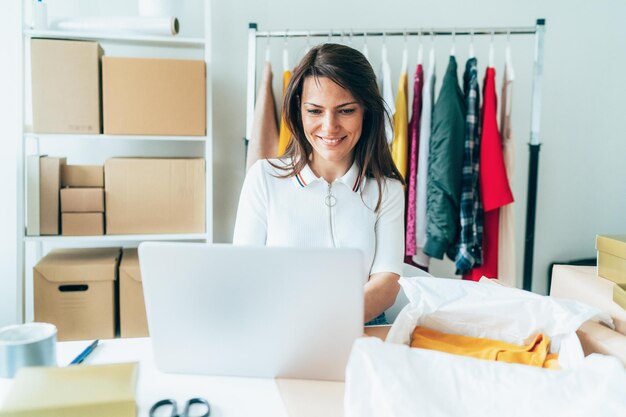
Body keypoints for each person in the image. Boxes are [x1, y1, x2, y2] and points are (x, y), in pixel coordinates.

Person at [233, 43, 405, 324]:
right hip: (279, 326)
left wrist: (328, 321)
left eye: (346, 111)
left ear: (366, 111)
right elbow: (242, 275)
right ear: (298, 110)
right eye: (315, 111)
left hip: (360, 330)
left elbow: (386, 284)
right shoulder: (263, 178)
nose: (329, 127)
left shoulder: (388, 191)